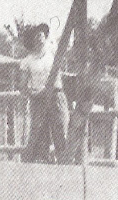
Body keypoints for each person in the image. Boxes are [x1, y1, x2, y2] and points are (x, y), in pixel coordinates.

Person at [19, 23, 69, 163]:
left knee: (60, 129)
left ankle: (65, 163)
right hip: (39, 99)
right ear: (32, 39)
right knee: (39, 133)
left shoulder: (52, 52)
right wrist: (33, 94)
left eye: (41, 34)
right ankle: (42, 164)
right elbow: (22, 86)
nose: (39, 37)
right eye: (36, 35)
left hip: (55, 95)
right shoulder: (27, 61)